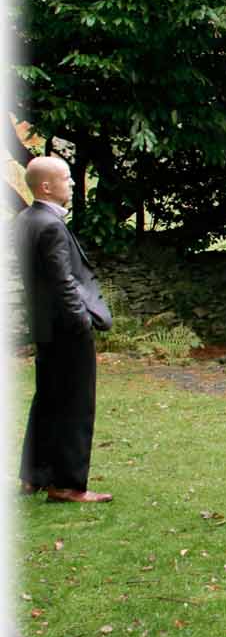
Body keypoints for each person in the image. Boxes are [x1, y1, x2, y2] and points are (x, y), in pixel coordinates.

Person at [16, 154, 113, 502]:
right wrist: (82, 320)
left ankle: (34, 476)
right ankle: (67, 485)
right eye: (67, 178)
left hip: (44, 326)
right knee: (75, 404)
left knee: (48, 400)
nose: (72, 184)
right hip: (66, 329)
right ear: (46, 186)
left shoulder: (26, 219)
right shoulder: (51, 225)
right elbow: (63, 281)